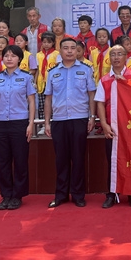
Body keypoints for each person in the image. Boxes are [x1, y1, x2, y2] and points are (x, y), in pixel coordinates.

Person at [45, 38, 96, 208]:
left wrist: (92, 117)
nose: (69, 51)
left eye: (73, 48)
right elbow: (48, 98)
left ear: (78, 51)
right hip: (59, 120)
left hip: (79, 119)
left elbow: (91, 95)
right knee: (61, 160)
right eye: (65, 48)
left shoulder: (86, 70)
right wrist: (47, 122)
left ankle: (78, 195)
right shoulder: (52, 72)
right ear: (60, 51)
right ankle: (61, 195)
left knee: (78, 158)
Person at [95, 45, 131, 208]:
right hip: (112, 127)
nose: (116, 57)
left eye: (119, 54)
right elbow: (100, 103)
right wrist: (104, 123)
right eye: (113, 54)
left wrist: (127, 83)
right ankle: (111, 194)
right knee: (112, 161)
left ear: (126, 57)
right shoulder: (104, 79)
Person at [0, 45, 36, 211]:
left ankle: (17, 195)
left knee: (20, 160)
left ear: (19, 59)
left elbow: (31, 102)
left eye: (13, 56)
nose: (9, 58)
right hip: (0, 123)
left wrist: (30, 124)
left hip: (19, 123)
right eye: (6, 55)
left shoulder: (26, 77)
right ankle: (6, 195)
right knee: (3, 161)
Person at [35, 32, 59, 136]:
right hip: (41, 82)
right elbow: (37, 70)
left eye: (48, 42)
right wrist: (35, 81)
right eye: (44, 42)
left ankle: (53, 124)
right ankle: (43, 125)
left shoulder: (57, 54)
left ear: (53, 43)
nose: (46, 44)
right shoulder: (38, 55)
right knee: (42, 104)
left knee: (53, 104)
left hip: (53, 82)